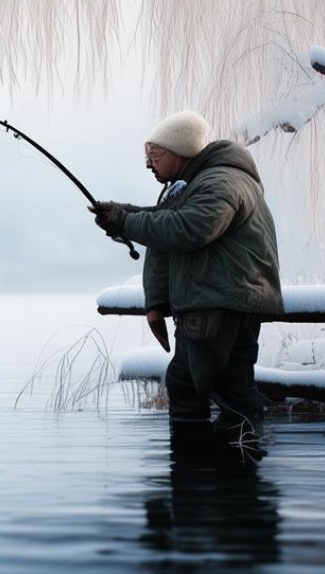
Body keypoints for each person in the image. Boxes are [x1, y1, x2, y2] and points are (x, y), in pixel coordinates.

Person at [91, 110, 283, 463]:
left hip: (216, 301)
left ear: (181, 151)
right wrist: (122, 214)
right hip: (235, 299)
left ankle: (194, 471)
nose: (149, 164)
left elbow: (189, 228)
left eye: (156, 155)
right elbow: (170, 217)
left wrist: (128, 222)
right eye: (147, 156)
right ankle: (240, 472)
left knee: (186, 385)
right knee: (234, 389)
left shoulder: (219, 183)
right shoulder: (210, 181)